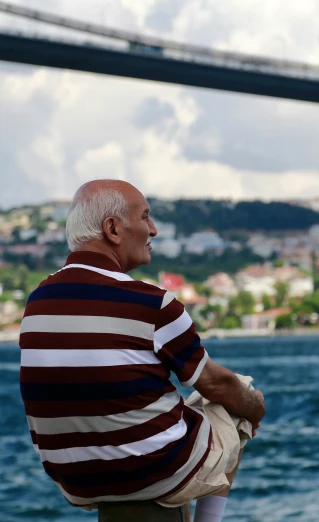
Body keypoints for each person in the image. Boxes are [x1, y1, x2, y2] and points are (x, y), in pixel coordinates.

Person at [18, 180, 265, 522]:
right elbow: (216, 386)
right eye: (146, 216)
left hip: (76, 481)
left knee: (179, 421)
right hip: (151, 473)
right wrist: (254, 407)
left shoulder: (38, 302)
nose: (154, 229)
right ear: (113, 229)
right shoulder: (152, 303)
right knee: (239, 392)